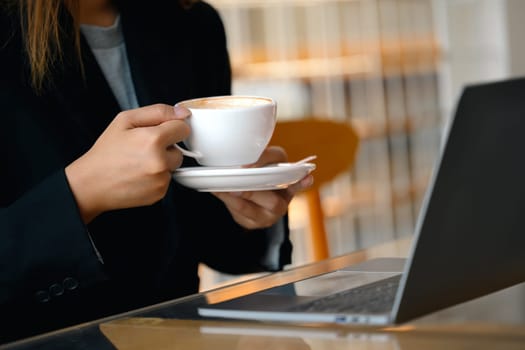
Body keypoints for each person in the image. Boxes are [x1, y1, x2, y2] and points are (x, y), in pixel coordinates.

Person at [0, 0, 313, 343]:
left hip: (185, 335)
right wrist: (79, 193)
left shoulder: (190, 22)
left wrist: (252, 208)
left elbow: (209, 240)